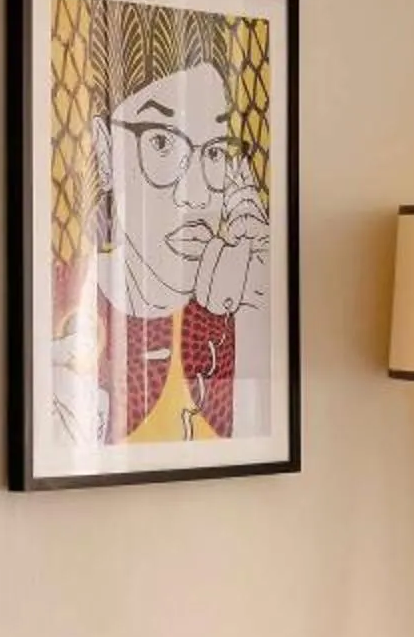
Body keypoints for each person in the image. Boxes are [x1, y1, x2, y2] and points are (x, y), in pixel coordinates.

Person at [50, 48, 270, 449]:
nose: (199, 196)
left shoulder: (237, 308)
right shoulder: (56, 296)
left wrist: (263, 306)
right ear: (104, 147)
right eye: (163, 144)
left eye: (217, 152)